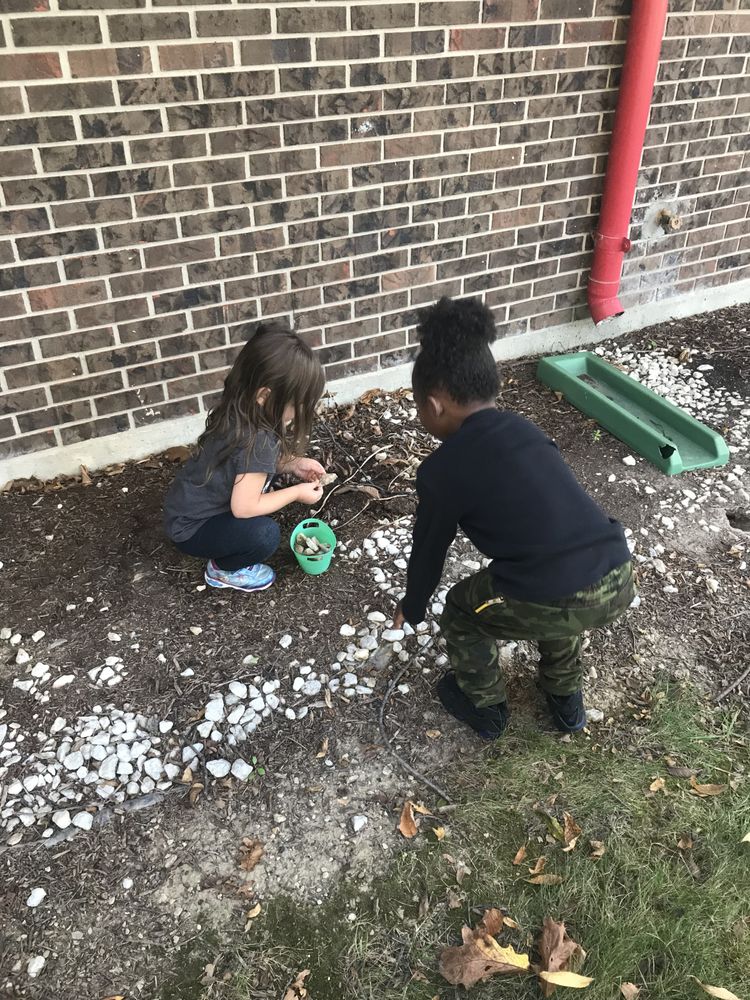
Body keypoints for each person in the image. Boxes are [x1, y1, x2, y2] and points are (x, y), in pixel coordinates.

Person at [394, 297, 636, 738]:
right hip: (616, 573)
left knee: (462, 611)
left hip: (555, 593)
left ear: (434, 405)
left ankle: (484, 706)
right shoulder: (526, 430)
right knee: (559, 591)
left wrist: (412, 608)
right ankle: (565, 700)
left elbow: (429, 551)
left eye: (418, 407)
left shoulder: (440, 471)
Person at [164, 320, 326, 592]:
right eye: (296, 405)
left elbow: (244, 463)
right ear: (265, 395)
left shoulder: (239, 411)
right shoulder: (258, 440)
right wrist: (297, 493)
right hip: (192, 529)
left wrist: (294, 465)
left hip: (181, 511)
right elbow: (246, 508)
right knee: (264, 535)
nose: (298, 413)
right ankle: (223, 571)